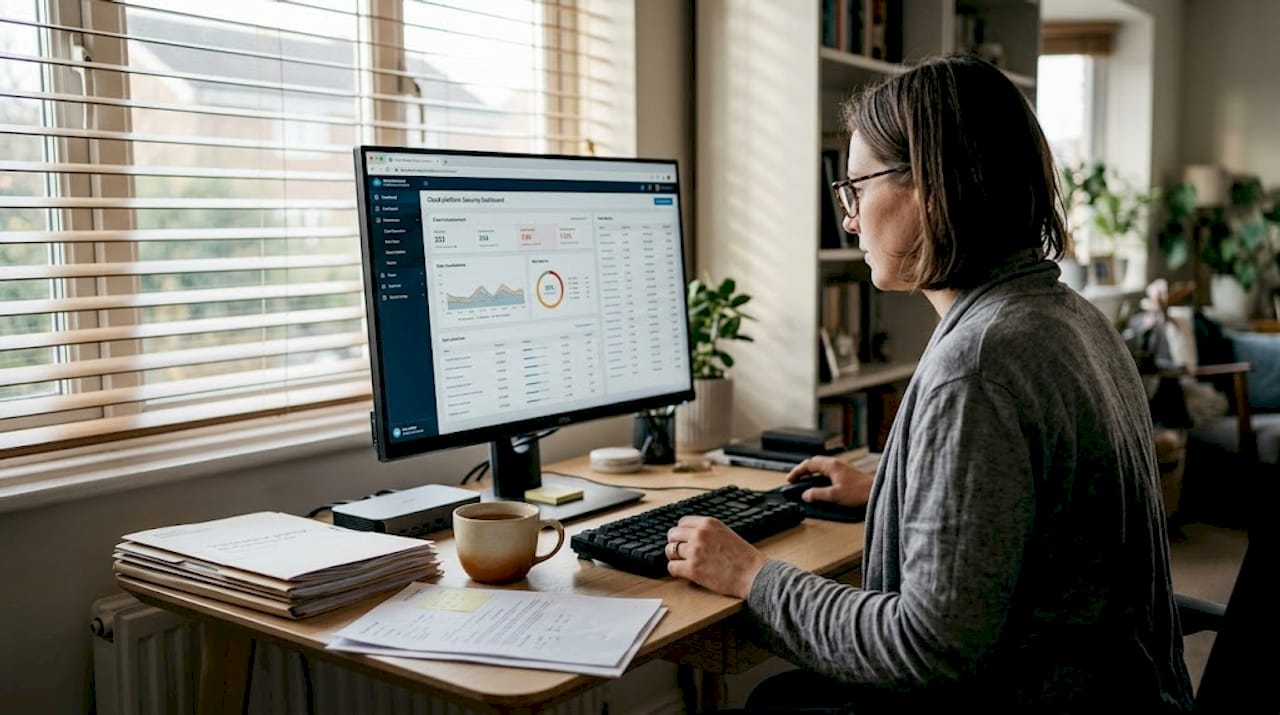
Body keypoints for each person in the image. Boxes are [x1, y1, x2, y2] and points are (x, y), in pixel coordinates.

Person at [664, 55, 1194, 713]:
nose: (850, 218)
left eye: (856, 187)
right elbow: (1036, 488)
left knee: (775, 701)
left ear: (934, 188)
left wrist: (752, 575)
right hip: (1120, 690)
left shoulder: (977, 365)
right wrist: (897, 482)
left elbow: (928, 646)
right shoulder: (1067, 316)